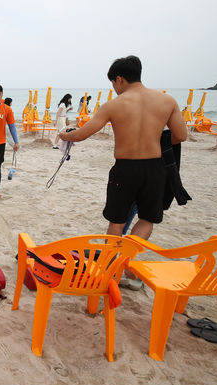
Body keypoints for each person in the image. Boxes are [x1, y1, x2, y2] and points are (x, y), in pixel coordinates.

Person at [58, 55, 187, 287]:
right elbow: (181, 136)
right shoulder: (167, 101)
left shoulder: (113, 105)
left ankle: (109, 268)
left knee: (116, 222)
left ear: (119, 79)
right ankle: (128, 265)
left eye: (113, 84)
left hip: (125, 168)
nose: (115, 89)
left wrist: (63, 135)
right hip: (155, 168)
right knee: (147, 219)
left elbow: (83, 133)